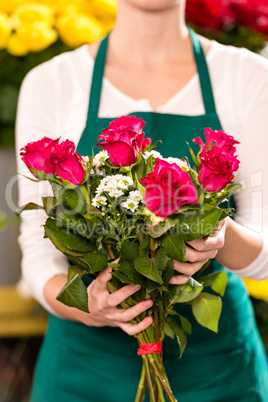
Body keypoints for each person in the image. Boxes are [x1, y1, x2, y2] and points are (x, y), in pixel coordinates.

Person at [16, 0, 268, 401]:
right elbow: (37, 247)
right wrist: (87, 305)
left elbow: (264, 252)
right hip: (84, 369)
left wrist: (216, 233)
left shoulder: (247, 76)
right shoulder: (54, 81)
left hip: (216, 370)